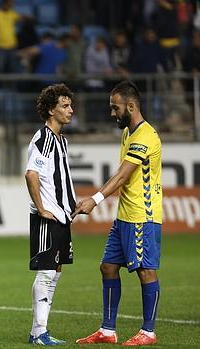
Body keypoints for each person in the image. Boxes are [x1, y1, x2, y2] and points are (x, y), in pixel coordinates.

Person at [74, 80, 162, 346]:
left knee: (145, 271)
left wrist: (96, 199)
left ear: (131, 106)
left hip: (141, 216)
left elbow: (123, 175)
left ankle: (148, 331)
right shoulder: (128, 133)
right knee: (108, 267)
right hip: (125, 215)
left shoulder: (146, 137)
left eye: (116, 108)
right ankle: (108, 330)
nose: (113, 114)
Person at [25, 83, 76, 345]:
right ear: (50, 110)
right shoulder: (44, 138)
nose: (71, 110)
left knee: (55, 272)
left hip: (62, 216)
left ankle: (40, 331)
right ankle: (39, 331)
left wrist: (70, 205)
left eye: (70, 105)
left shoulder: (61, 140)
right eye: (64, 106)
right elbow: (31, 174)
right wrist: (42, 208)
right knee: (46, 272)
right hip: (49, 217)